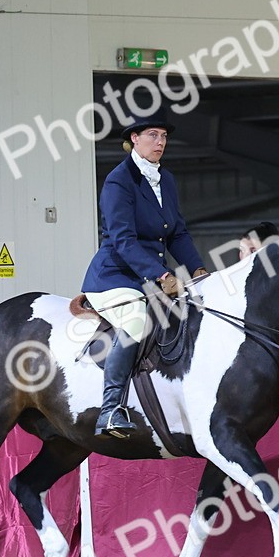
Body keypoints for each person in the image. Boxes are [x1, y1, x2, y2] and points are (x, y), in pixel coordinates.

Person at [81, 116, 207, 437]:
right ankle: (110, 410)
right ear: (134, 138)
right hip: (114, 277)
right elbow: (123, 241)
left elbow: (177, 232)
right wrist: (162, 274)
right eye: (153, 135)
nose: (160, 142)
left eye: (164, 136)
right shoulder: (118, 181)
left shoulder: (166, 180)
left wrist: (197, 269)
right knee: (136, 319)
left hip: (149, 278)